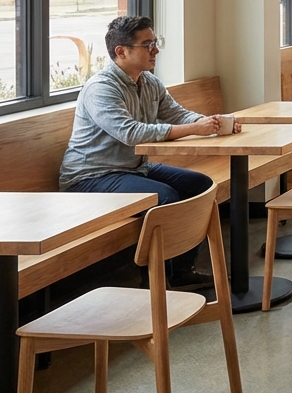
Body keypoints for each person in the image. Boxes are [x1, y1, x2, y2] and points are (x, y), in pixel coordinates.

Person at [59, 16, 230, 288]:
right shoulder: (101, 88)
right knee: (165, 198)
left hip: (133, 168)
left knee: (200, 185)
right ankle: (155, 283)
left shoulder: (149, 82)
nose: (156, 50)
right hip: (91, 177)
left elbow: (177, 114)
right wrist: (193, 129)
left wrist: (213, 123)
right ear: (121, 51)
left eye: (155, 42)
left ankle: (181, 271)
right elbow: (130, 132)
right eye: (147, 44)